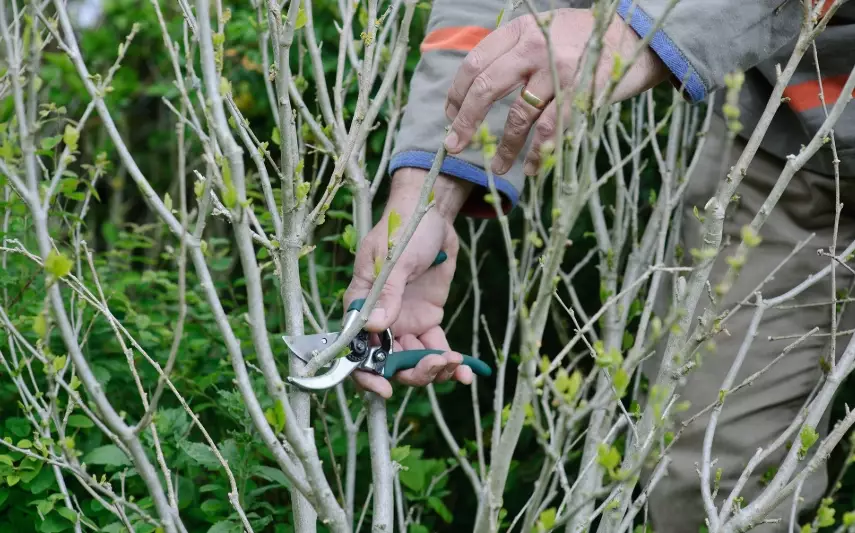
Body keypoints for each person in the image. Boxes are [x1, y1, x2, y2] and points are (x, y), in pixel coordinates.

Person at [342, 0, 855, 530]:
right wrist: (430, 194)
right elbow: (501, 20)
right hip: (792, 141)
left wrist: (644, 32)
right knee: (703, 481)